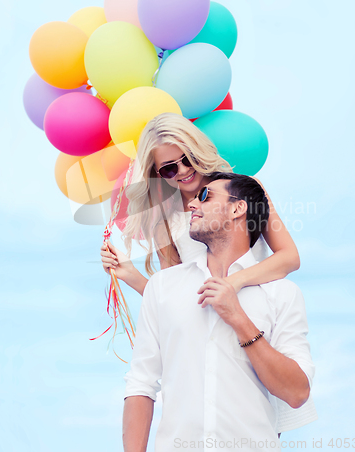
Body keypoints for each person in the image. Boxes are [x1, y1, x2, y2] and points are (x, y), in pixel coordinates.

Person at [100, 113, 317, 433]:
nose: (184, 171)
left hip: (255, 319)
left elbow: (289, 257)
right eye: (170, 168)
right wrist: (130, 275)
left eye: (187, 158)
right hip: (204, 326)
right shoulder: (164, 220)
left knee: (258, 418)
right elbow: (173, 299)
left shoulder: (243, 191)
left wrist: (234, 282)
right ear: (158, 174)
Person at [123, 173, 315, 452]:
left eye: (205, 196)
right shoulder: (163, 287)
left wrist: (239, 319)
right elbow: (141, 383)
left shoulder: (282, 295)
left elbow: (297, 393)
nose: (192, 204)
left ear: (238, 209)